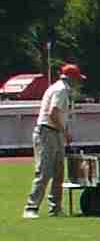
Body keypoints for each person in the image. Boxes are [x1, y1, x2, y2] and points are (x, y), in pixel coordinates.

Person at [23, 63, 82, 219]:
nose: (78, 82)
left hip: (54, 132)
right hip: (47, 132)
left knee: (58, 172)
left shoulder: (61, 89)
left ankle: (55, 209)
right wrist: (65, 133)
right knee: (45, 171)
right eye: (77, 79)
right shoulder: (60, 90)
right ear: (70, 78)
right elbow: (53, 113)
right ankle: (31, 207)